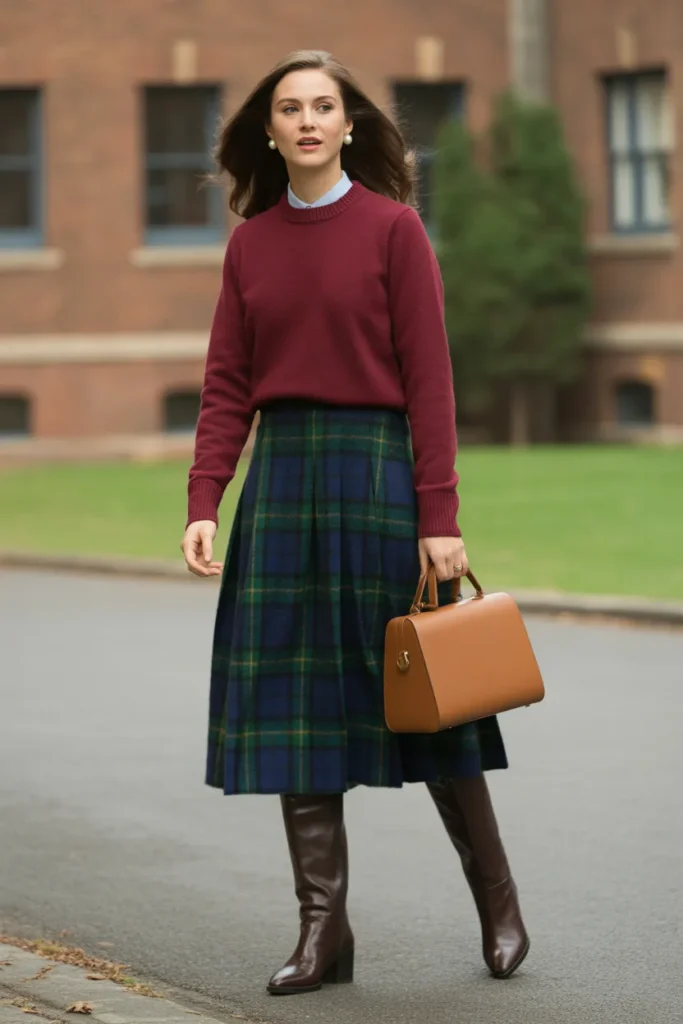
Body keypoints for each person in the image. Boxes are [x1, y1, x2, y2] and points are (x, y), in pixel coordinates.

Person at [181, 49, 529, 995]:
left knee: (428, 696)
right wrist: (205, 499)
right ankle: (322, 935)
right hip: (283, 482)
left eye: (322, 106)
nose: (304, 120)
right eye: (288, 107)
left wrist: (439, 515)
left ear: (348, 124)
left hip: (375, 477)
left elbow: (430, 383)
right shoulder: (249, 244)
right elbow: (225, 387)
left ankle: (496, 900)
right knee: (299, 713)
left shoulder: (393, 232)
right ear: (268, 129)